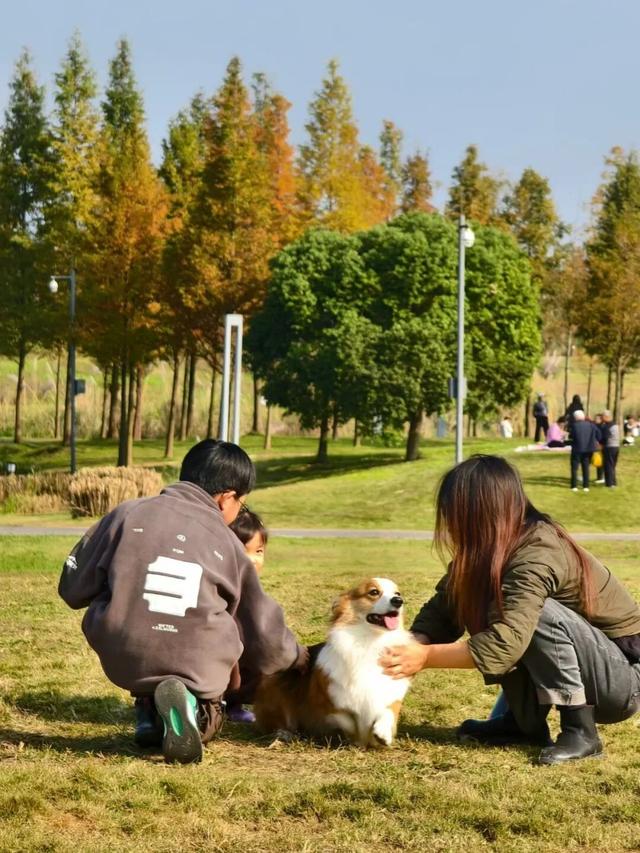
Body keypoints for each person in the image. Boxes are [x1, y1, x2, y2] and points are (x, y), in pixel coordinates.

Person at [58, 439, 307, 764]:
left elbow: (72, 588)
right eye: (241, 505)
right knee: (211, 674)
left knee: (139, 614)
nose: (238, 513)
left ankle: (148, 711)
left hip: (127, 652)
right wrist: (299, 658)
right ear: (226, 498)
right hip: (197, 662)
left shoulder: (125, 514)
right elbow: (264, 633)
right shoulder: (229, 544)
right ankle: (195, 712)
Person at [379, 455, 640, 765]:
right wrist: (411, 645)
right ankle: (521, 724)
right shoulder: (487, 551)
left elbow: (506, 643)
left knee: (534, 616)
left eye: (456, 511)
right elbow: (445, 608)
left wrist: (424, 657)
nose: (449, 522)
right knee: (495, 602)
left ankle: (581, 731)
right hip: (595, 667)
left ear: (482, 512)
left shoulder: (538, 550)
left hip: (622, 679)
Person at [225, 508, 270, 723]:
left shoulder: (254, 590)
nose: (253, 559)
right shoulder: (222, 586)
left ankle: (235, 702)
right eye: (244, 551)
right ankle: (228, 702)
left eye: (259, 551)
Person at [569, 410, 599, 492]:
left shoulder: (574, 426)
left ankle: (574, 486)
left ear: (575, 418)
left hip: (577, 449)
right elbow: (598, 435)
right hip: (588, 449)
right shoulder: (591, 425)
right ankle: (586, 486)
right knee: (586, 467)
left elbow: (571, 437)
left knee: (574, 468)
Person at [600, 410, 620, 488]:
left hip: (609, 447)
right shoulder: (615, 424)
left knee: (608, 465)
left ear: (606, 417)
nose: (601, 418)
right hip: (616, 447)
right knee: (612, 465)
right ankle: (613, 482)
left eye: (602, 416)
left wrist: (600, 444)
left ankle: (609, 483)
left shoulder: (607, 426)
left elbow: (605, 437)